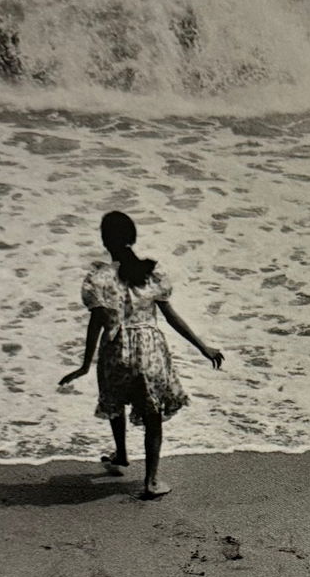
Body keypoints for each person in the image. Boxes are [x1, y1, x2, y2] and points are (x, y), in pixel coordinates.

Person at [59, 212, 223, 498]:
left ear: (104, 240)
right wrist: (202, 347)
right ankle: (151, 481)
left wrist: (85, 365)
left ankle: (121, 454)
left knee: (115, 402)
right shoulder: (150, 273)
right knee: (152, 414)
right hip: (150, 350)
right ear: (132, 237)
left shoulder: (98, 277)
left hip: (116, 349)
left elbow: (96, 324)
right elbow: (172, 318)